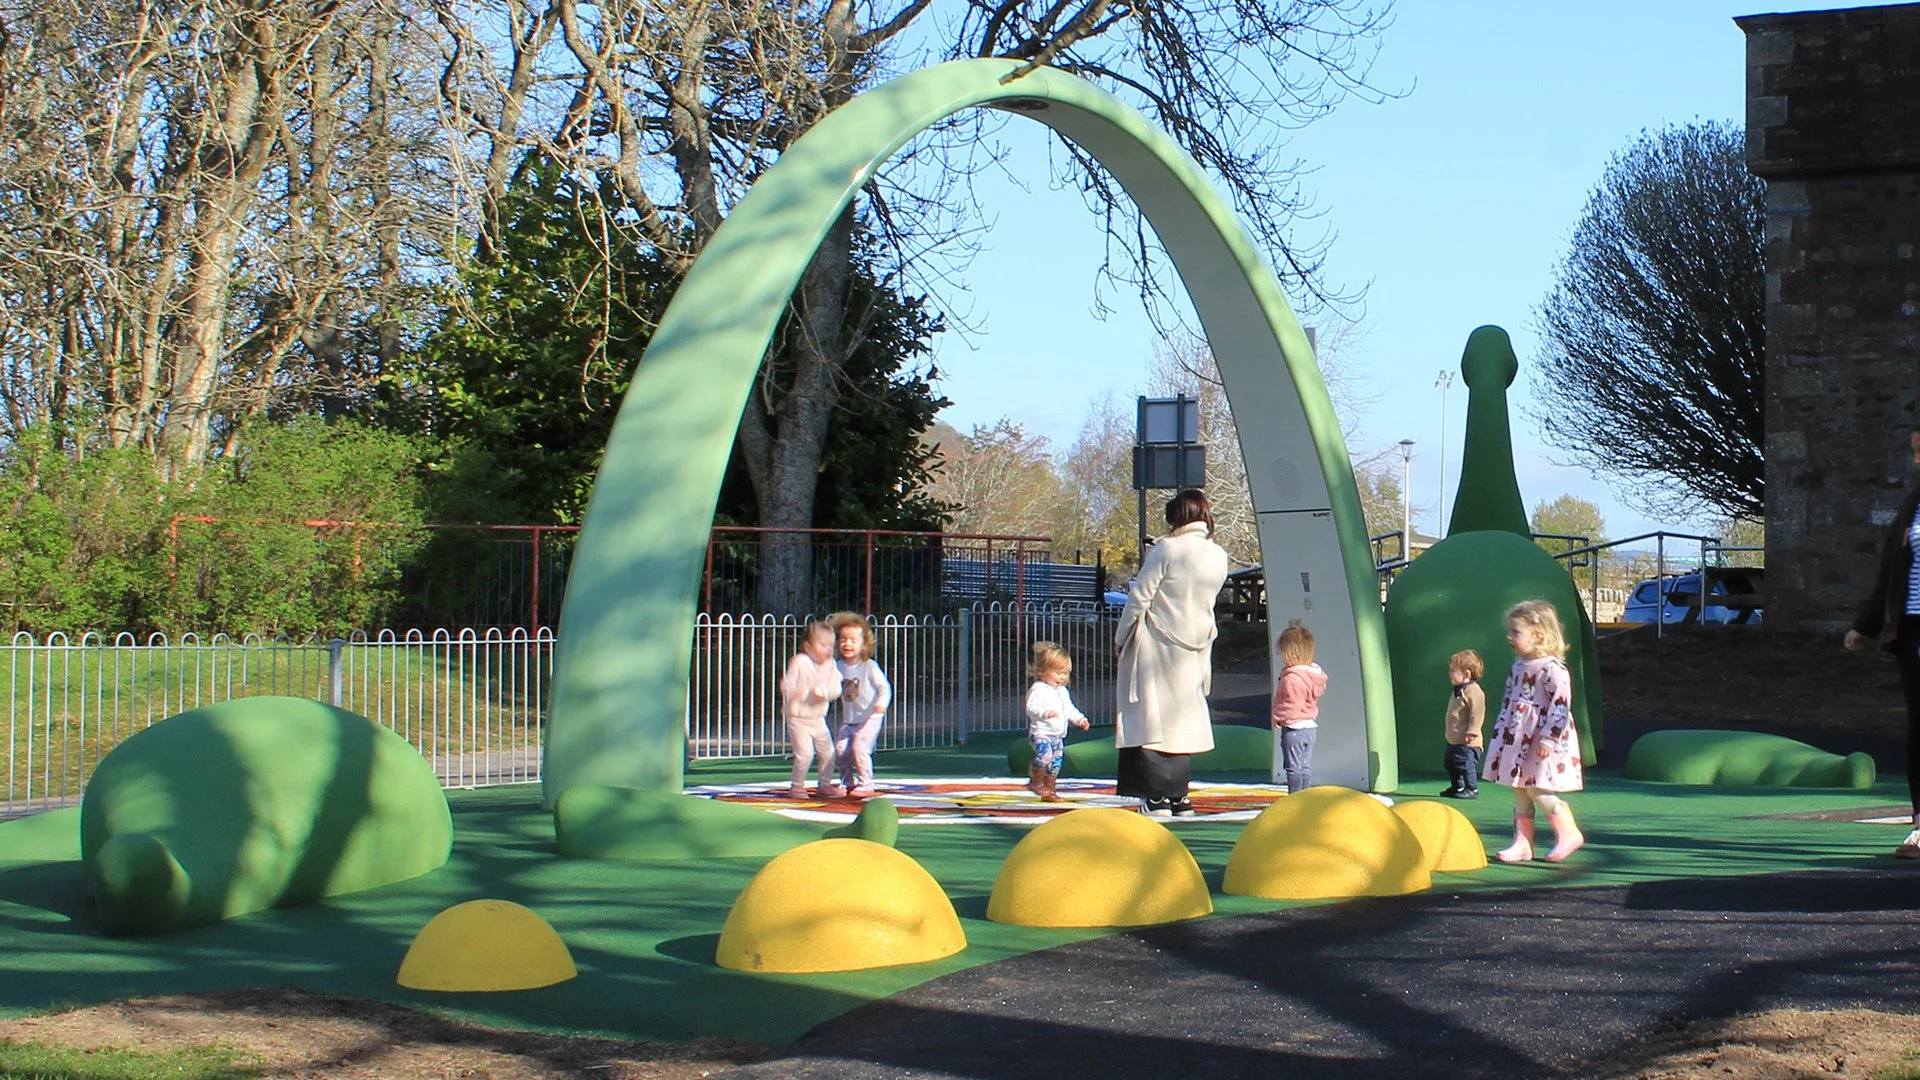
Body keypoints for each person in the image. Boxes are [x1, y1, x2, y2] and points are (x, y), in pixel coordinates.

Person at [1115, 487, 1231, 819]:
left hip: (1157, 644)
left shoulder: (1167, 549)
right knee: (1184, 722)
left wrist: (1121, 636)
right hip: (1196, 646)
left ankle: (1154, 797)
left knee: (1150, 719)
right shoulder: (1218, 555)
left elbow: (1140, 598)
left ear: (1176, 517)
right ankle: (1179, 796)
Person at [1845, 422, 1920, 857]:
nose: (1916, 460)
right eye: (1914, 451)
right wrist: (1866, 625)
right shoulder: (1912, 508)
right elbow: (1890, 575)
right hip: (1913, 629)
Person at [1482, 600, 1584, 863]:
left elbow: (1560, 706)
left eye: (1516, 632)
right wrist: (1503, 732)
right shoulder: (1518, 666)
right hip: (1518, 736)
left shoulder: (1553, 669)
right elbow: (1510, 699)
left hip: (1542, 738)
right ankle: (1523, 843)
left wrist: (1550, 737)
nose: (1510, 637)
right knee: (1519, 787)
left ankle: (1568, 830)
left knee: (1537, 786)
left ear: (1538, 634)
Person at [827, 610, 891, 799]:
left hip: (870, 717)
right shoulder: (838, 666)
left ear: (864, 643)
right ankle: (847, 781)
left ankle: (866, 782)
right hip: (850, 719)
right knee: (841, 749)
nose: (847, 644)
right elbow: (830, 684)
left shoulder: (869, 666)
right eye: (843, 639)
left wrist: (881, 704)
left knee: (860, 748)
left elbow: (884, 687)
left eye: (853, 640)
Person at [779, 618, 844, 799]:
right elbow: (786, 684)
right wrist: (796, 692)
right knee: (805, 753)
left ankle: (824, 783)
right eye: (822, 644)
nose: (828, 650)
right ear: (808, 647)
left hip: (818, 719)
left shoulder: (831, 665)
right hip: (798, 718)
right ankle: (797, 786)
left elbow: (837, 688)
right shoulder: (799, 662)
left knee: (828, 753)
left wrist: (825, 692)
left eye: (831, 645)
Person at [1025, 641, 1092, 803]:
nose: (1062, 677)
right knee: (1045, 755)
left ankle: (1049, 790)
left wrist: (1080, 719)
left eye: (1065, 673)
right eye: (1057, 673)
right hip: (1041, 732)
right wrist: (1045, 713)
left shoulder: (1062, 692)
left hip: (1057, 735)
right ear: (1042, 671)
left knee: (1056, 763)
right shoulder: (1038, 689)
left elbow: (1069, 709)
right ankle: (1036, 779)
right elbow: (1030, 707)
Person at [1269, 619, 1328, 794]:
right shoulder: (1312, 675)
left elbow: (1292, 704)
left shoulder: (1292, 679)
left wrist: (1278, 716)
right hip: (1310, 727)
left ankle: (1294, 797)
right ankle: (1305, 796)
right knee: (1304, 765)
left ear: (1290, 653)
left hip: (1294, 728)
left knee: (1293, 767)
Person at [1441, 649, 1487, 799]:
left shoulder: (1474, 691)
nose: (1449, 673)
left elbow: (1477, 713)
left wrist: (1472, 731)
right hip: (1454, 739)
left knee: (1466, 765)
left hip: (1469, 742)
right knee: (1451, 763)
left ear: (1467, 674)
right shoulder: (1458, 691)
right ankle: (1457, 786)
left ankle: (1471, 788)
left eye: (1453, 670)